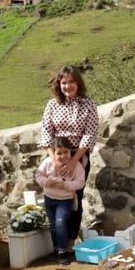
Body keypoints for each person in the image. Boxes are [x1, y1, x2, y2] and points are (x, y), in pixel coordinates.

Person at [39, 66, 99, 244]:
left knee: (74, 198)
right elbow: (46, 132)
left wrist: (74, 161)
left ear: (78, 83)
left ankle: (71, 240)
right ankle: (57, 243)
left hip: (79, 156)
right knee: (53, 195)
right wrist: (53, 159)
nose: (68, 86)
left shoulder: (88, 104)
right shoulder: (52, 104)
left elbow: (90, 133)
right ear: (59, 84)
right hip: (55, 155)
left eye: (71, 82)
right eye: (64, 82)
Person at [35, 137, 86, 264]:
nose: (63, 156)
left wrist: (65, 185)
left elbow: (80, 183)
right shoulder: (47, 163)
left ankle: (62, 252)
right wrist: (46, 182)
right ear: (53, 152)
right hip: (49, 199)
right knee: (53, 226)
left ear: (70, 152)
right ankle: (56, 249)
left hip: (65, 200)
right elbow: (38, 175)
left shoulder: (77, 166)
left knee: (60, 222)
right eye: (59, 153)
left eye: (66, 152)